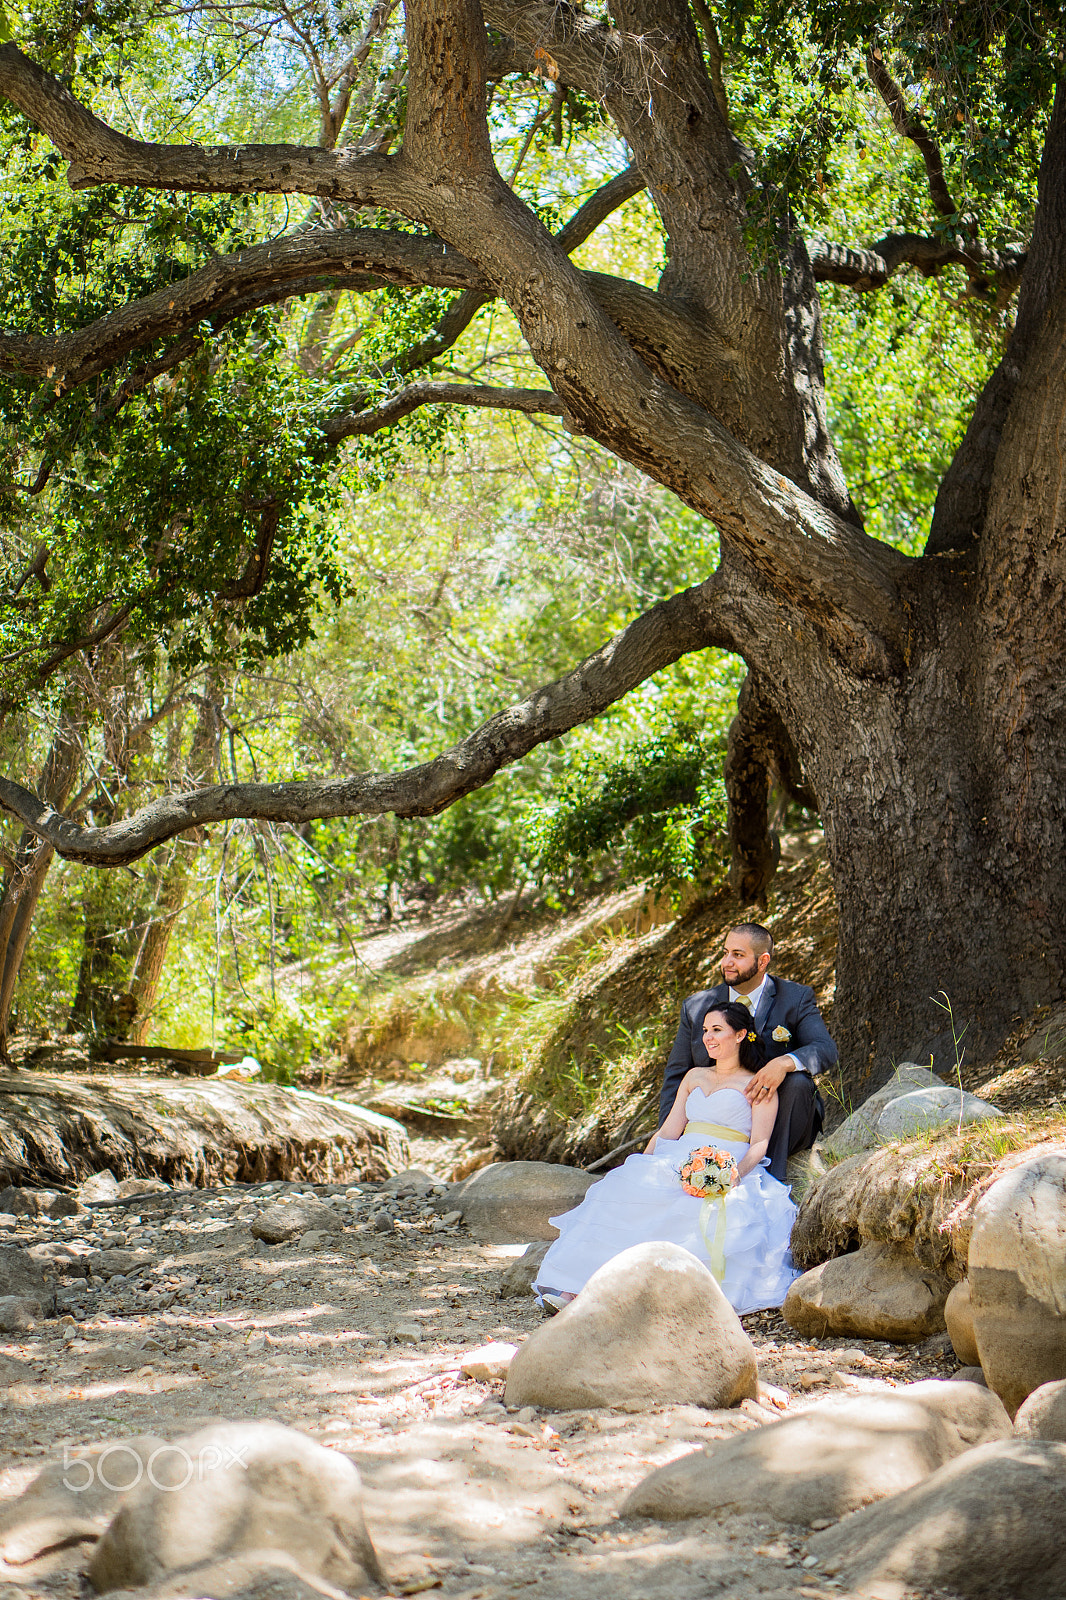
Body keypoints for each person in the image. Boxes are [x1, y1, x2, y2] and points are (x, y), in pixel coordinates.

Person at [534, 1002, 801, 1314]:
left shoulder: (757, 1083)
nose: (708, 1038)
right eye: (705, 1031)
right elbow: (668, 1131)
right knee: (627, 1200)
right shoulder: (694, 1076)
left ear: (740, 1034)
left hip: (729, 1162)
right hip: (679, 1156)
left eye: (717, 1030)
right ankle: (576, 1293)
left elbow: (759, 1143)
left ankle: (647, 1302)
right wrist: (640, 1166)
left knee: (693, 1213)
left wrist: (734, 1174)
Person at [660, 923, 835, 1181]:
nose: (727, 962)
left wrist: (783, 1064)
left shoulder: (795, 998)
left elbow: (824, 1048)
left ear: (763, 961)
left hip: (774, 1115)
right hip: (713, 1121)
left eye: (738, 955)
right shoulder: (697, 1007)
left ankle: (770, 1176)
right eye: (725, 952)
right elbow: (676, 1075)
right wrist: (668, 1145)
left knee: (798, 1082)